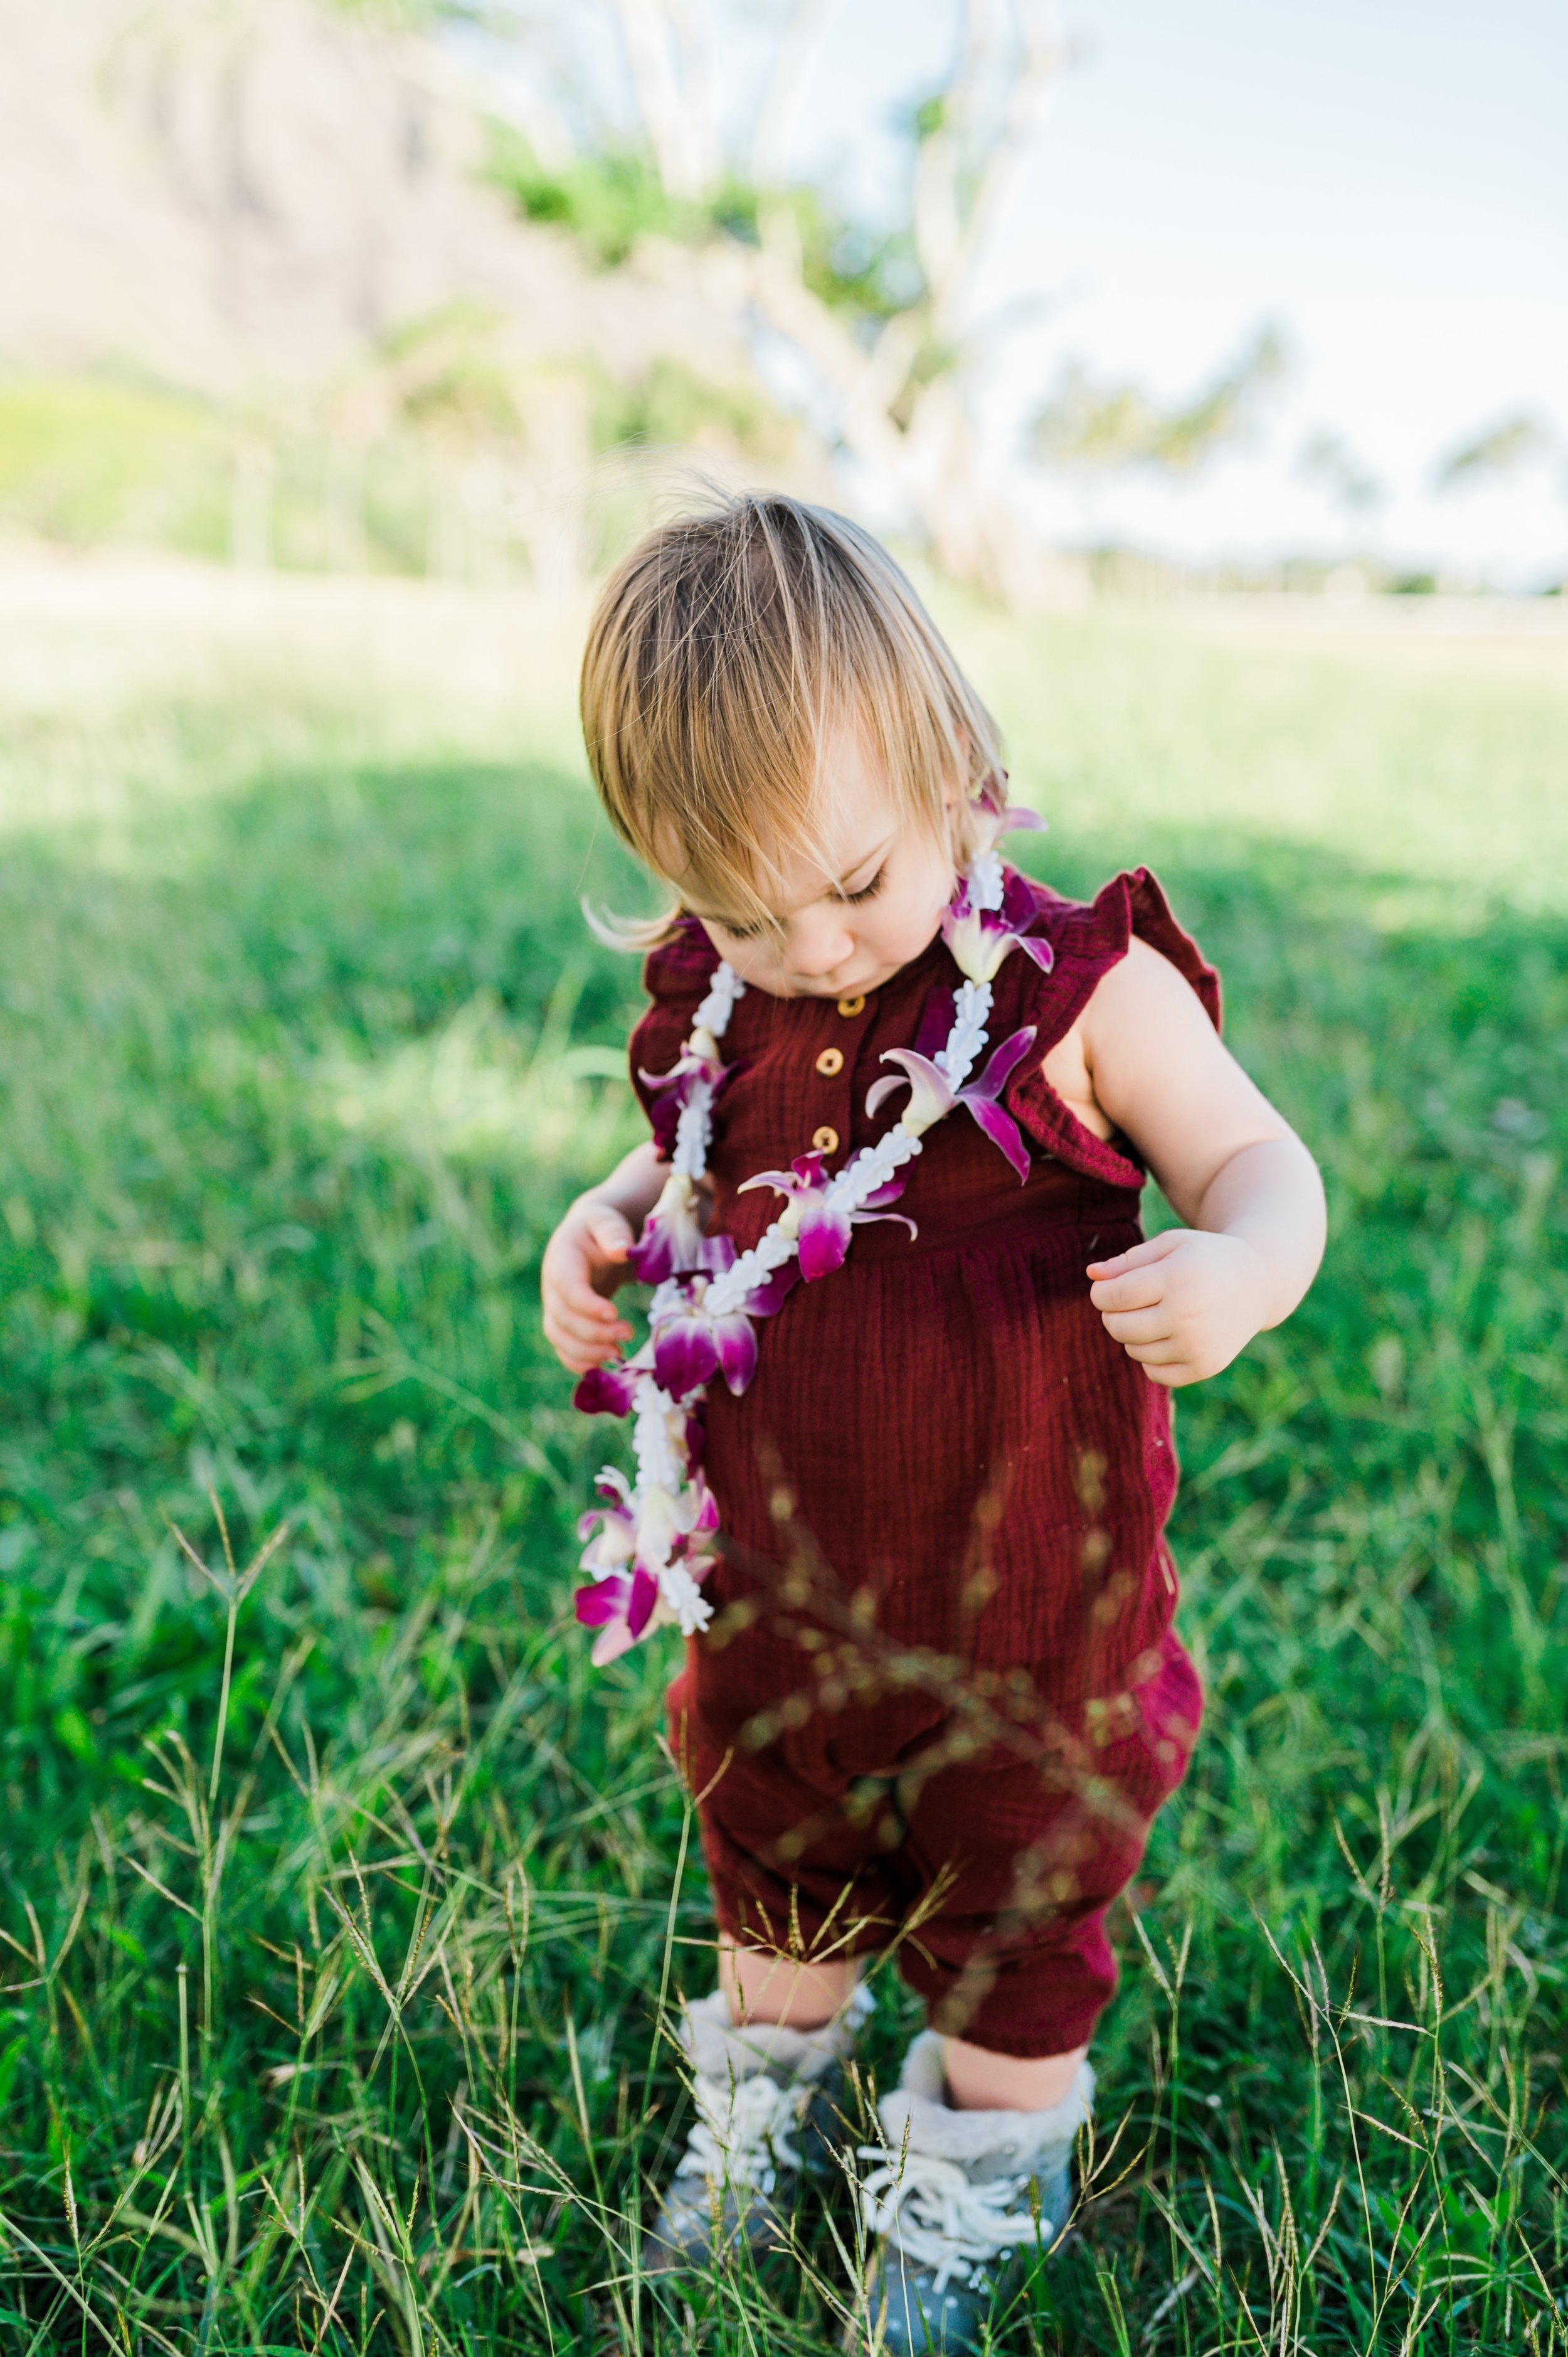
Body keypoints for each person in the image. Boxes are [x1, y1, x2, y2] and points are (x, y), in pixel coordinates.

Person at [541, 493, 1325, 2352]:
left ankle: (978, 2191)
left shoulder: (1075, 995)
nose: (806, 943)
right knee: (773, 1880)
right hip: (782, 1607)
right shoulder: (718, 1002)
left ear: (954, 767)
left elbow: (1257, 1161)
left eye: (850, 883)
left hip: (1025, 1625)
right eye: (741, 903)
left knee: (1011, 1921)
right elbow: (683, 1174)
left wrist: (1243, 1266)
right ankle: (757, 2129)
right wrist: (604, 1225)